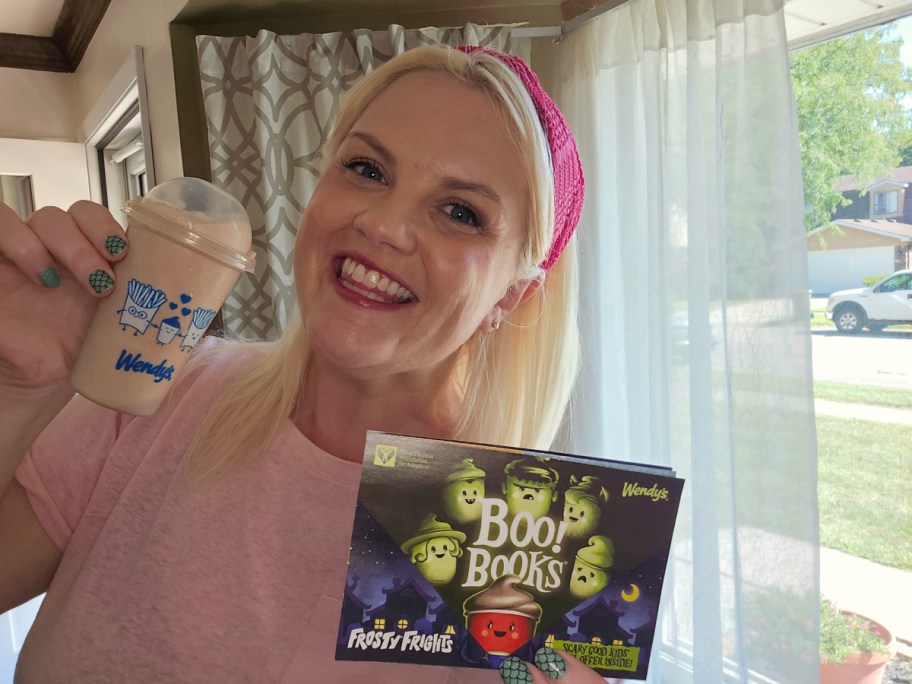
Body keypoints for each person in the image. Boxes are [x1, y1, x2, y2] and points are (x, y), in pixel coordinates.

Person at [0, 44, 603, 683]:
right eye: (367, 169)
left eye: (461, 212)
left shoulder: (524, 543)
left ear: (512, 294)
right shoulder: (163, 388)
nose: (383, 224)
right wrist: (17, 390)